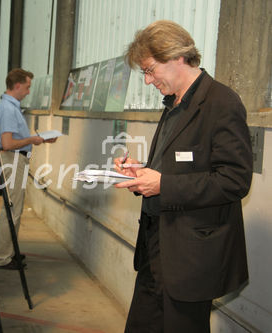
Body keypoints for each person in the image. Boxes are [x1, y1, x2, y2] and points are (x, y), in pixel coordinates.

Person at [114, 20, 253, 332]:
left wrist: (163, 183)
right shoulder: (174, 104)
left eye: (150, 70)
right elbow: (178, 166)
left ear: (177, 56)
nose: (148, 81)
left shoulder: (221, 103)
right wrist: (144, 173)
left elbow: (235, 179)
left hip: (189, 253)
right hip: (155, 243)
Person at [0, 68, 57, 269]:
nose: (29, 91)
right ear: (18, 85)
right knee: (11, 210)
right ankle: (2, 257)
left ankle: (8, 251)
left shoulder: (10, 107)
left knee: (15, 209)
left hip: (15, 159)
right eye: (28, 87)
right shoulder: (9, 109)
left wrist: (35, 139)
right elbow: (8, 143)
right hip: (12, 159)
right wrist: (33, 139)